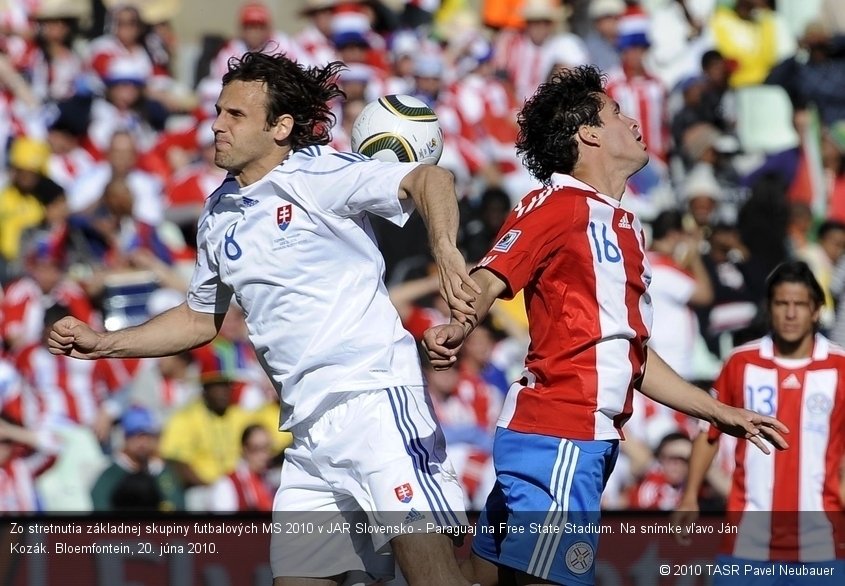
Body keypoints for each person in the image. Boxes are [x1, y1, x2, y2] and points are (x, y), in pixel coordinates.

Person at [48, 51, 478, 586]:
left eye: (235, 115)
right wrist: (105, 342)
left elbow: (429, 179)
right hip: (306, 435)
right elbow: (200, 318)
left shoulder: (318, 174)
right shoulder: (216, 215)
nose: (217, 125)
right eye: (218, 111)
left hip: (376, 405)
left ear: (281, 127)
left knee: (435, 580)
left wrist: (445, 248)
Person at [423, 65, 789, 586]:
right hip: (560, 433)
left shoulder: (621, 224)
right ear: (588, 133)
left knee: (483, 576)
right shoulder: (557, 203)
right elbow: (493, 274)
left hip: (577, 440)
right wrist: (460, 322)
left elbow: (630, 356)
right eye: (617, 112)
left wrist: (719, 411)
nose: (636, 121)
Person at [672, 261, 845, 583]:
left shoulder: (840, 366)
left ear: (817, 310)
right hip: (746, 540)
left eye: (799, 305)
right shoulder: (741, 362)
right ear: (769, 307)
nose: (790, 314)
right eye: (782, 304)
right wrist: (690, 494)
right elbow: (708, 431)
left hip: (822, 541)